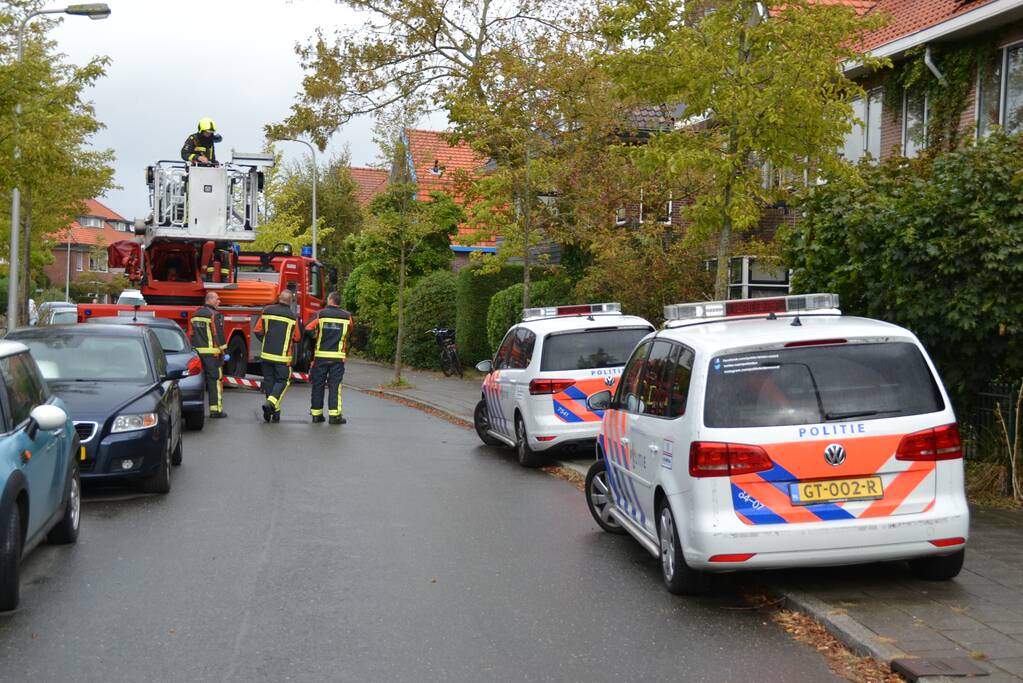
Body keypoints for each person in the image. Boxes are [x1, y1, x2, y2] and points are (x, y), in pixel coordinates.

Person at [305, 292, 352, 424]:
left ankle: (316, 414)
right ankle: (334, 416)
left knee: (318, 384)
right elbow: (349, 329)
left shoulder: (320, 314)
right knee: (335, 386)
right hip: (337, 357)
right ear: (339, 302)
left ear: (330, 300)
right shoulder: (347, 316)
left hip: (321, 356)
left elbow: (308, 328)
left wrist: (316, 335)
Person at [254, 290, 301, 423]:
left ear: (279, 298)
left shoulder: (266, 311)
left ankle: (274, 412)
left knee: (269, 382)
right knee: (283, 381)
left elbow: (257, 330)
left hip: (266, 355)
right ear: (290, 301)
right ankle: (270, 403)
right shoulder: (293, 317)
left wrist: (266, 340)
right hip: (283, 357)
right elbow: (297, 337)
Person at [188, 292, 227, 418]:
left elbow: (191, 334)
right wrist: (224, 351)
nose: (219, 301)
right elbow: (218, 335)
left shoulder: (195, 315)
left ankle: (194, 409)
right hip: (212, 355)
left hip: (197, 354)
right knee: (214, 380)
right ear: (210, 300)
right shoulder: (215, 315)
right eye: (217, 299)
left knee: (197, 381)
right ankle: (215, 410)